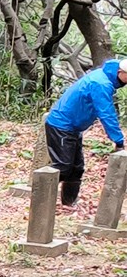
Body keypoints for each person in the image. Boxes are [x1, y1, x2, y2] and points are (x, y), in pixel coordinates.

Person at [42, 58, 122, 208]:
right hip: (61, 125)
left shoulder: (104, 76)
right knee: (63, 167)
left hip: (74, 127)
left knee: (76, 168)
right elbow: (106, 113)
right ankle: (40, 193)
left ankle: (68, 203)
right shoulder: (101, 84)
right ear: (120, 72)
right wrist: (118, 140)